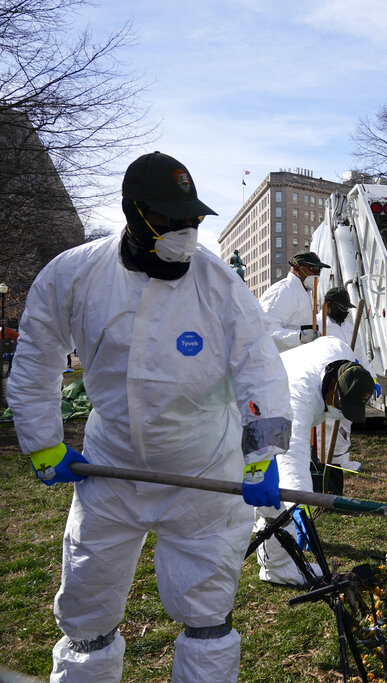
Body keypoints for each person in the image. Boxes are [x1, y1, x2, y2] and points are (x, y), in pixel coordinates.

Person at [6, 151, 292, 681]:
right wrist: (42, 442)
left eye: (192, 221)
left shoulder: (219, 284)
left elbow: (260, 369)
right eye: (169, 222)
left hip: (203, 474)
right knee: (86, 615)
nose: (184, 232)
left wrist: (264, 453)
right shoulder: (73, 276)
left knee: (207, 618)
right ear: (133, 213)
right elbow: (37, 362)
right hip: (110, 472)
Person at [255, 337, 375, 585]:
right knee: (276, 493)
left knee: (273, 492)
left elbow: (348, 354)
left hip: (269, 399)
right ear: (332, 385)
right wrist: (300, 504)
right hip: (257, 409)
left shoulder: (341, 355)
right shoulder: (299, 397)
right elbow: (293, 454)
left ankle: (272, 552)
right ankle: (276, 568)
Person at [258, 250, 330, 352]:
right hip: (283, 361)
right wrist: (299, 337)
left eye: (319, 269)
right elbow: (266, 332)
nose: (317, 273)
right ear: (297, 268)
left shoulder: (307, 291)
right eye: (313, 268)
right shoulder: (281, 292)